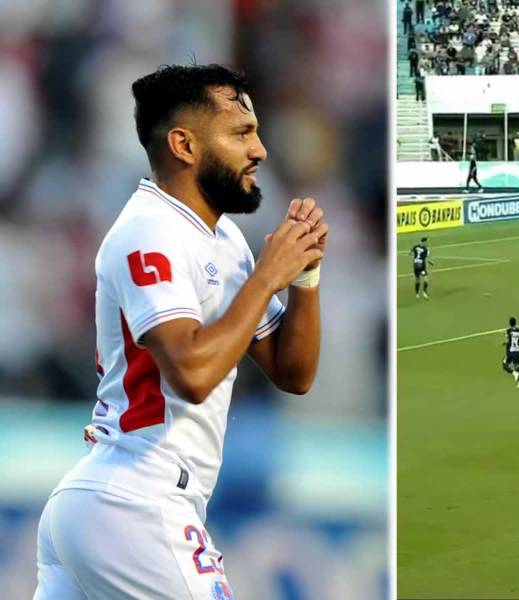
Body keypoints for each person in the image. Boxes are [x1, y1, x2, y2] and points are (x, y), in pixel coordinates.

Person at [34, 64, 328, 599]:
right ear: (183, 145)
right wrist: (267, 276)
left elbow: (293, 372)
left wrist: (303, 275)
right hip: (137, 502)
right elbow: (190, 372)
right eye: (241, 133)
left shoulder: (224, 239)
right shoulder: (150, 231)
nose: (260, 150)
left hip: (106, 504)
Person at [501, 317, 519, 389]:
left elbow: (506, 340)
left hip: (510, 352)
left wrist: (504, 343)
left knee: (505, 365)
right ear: (515, 323)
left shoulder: (508, 331)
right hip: (517, 352)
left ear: (509, 323)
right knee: (517, 367)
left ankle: (514, 373)